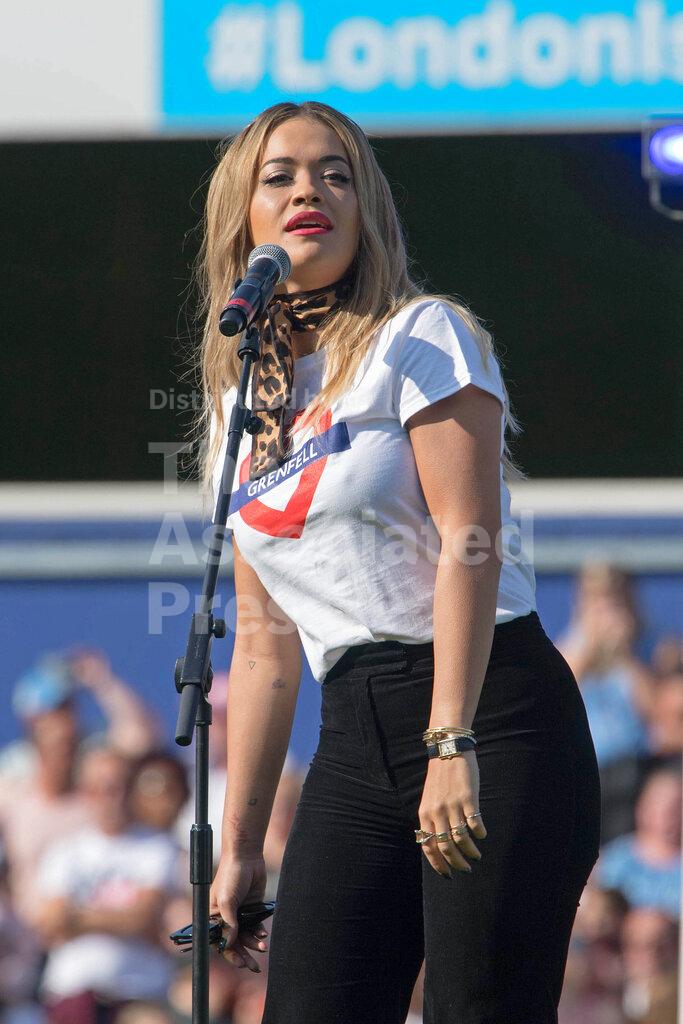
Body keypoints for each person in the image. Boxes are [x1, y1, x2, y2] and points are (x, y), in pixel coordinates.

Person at [198, 101, 602, 1023]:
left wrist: (449, 740)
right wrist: (242, 844)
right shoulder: (238, 408)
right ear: (243, 218)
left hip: (489, 714)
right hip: (353, 736)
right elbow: (263, 643)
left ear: (366, 208)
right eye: (282, 175)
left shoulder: (419, 335)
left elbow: (470, 538)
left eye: (336, 173)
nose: (310, 189)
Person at [37, 748, 178, 1023]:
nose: (114, 797)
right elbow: (52, 922)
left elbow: (144, 917)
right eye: (102, 788)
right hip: (71, 993)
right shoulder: (64, 852)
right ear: (85, 792)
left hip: (140, 993)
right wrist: (122, 918)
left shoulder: (159, 847)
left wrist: (78, 917)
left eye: (121, 786)